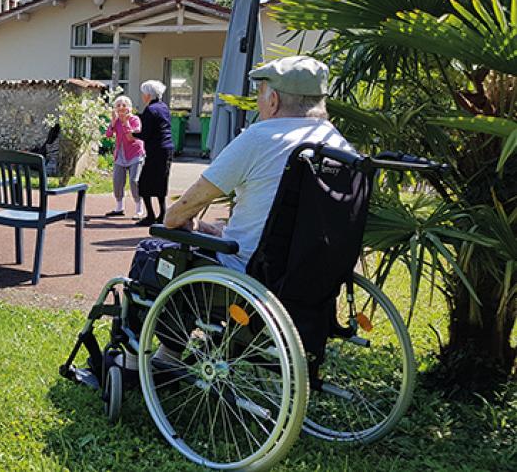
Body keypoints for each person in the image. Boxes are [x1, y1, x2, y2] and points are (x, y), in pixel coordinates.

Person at [149, 55, 351, 364]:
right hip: (311, 279)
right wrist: (213, 229)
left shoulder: (260, 138)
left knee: (154, 252)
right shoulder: (339, 145)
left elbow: (180, 212)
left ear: (273, 99)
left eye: (259, 93)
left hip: (250, 275)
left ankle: (163, 356)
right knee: (205, 240)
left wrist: (180, 219)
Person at [133, 80, 173, 226]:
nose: (142, 96)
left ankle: (150, 215)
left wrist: (133, 135)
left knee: (144, 184)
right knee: (161, 181)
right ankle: (162, 213)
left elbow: (145, 134)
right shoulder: (163, 107)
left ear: (148, 95)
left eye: (143, 93)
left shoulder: (150, 110)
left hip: (155, 150)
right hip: (167, 148)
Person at [104, 95, 145, 219]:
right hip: (120, 155)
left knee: (134, 181)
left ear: (129, 108)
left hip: (135, 154)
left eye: (124, 105)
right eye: (118, 105)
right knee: (117, 181)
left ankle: (139, 209)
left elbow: (132, 136)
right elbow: (108, 134)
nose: (121, 107)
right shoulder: (116, 120)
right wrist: (112, 122)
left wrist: (126, 122)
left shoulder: (135, 119)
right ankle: (119, 207)